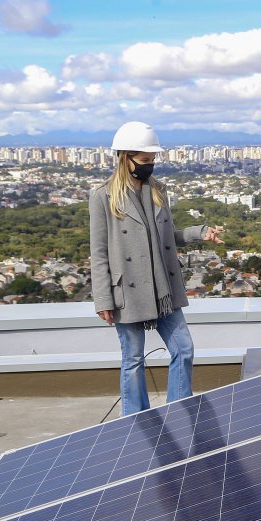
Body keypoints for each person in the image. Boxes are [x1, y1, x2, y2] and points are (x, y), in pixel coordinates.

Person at [90, 121, 223, 416]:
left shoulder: (159, 191)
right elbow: (98, 252)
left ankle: (178, 411)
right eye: (145, 161)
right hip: (128, 290)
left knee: (183, 349)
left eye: (152, 160)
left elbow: (167, 240)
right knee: (134, 359)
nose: (150, 166)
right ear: (126, 158)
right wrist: (103, 298)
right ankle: (136, 421)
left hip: (163, 287)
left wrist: (199, 233)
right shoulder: (102, 197)